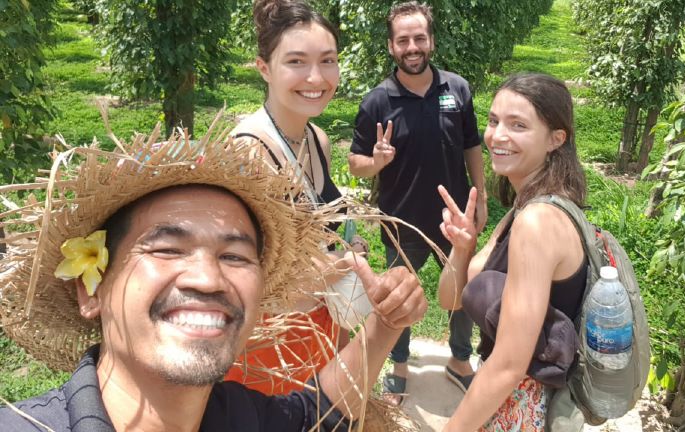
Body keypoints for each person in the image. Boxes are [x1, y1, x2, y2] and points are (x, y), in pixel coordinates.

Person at [0, 126, 427, 431]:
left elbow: (322, 412)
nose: (207, 279)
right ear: (90, 289)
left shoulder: (238, 416)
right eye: (167, 249)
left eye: (234, 256)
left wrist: (386, 322)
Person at [348, 1, 486, 402]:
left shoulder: (456, 90)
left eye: (419, 38)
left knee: (461, 293)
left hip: (453, 218)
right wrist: (375, 162)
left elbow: (471, 144)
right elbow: (355, 163)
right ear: (391, 46)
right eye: (403, 40)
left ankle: (459, 360)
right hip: (402, 219)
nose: (412, 47)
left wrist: (479, 196)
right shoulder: (377, 101)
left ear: (431, 41)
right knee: (400, 293)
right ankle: (399, 363)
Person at [228, 0, 367, 394]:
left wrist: (345, 246)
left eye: (328, 60)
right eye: (296, 62)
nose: (316, 77)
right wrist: (342, 264)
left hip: (320, 328)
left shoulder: (317, 140)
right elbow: (247, 271)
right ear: (264, 68)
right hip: (270, 347)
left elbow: (319, 232)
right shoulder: (248, 153)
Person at [436, 73, 588, 431]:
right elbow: (450, 300)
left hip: (521, 408)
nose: (497, 136)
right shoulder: (523, 208)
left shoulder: (538, 222)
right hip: (503, 397)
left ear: (556, 139)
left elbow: (509, 364)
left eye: (518, 125)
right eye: (493, 121)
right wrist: (463, 249)